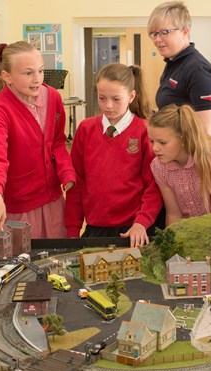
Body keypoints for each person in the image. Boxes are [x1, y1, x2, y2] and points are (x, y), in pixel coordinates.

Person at [64, 63, 162, 247]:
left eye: (116, 99)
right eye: (102, 98)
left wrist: (141, 222)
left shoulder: (144, 131)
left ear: (131, 96)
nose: (108, 106)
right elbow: (77, 184)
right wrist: (72, 230)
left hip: (134, 230)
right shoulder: (85, 129)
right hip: (95, 228)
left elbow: (154, 185)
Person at [0, 41, 75, 238]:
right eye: (28, 73)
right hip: (20, 204)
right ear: (7, 77)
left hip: (52, 200)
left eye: (40, 71)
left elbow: (58, 142)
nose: (37, 79)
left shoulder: (53, 98)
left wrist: (66, 171)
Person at [148, 104, 211, 225]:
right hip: (195, 228)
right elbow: (173, 214)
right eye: (152, 141)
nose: (155, 148)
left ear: (184, 139)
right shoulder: (158, 166)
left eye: (162, 142)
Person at [148, 1, 211, 136]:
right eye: (154, 34)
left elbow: (207, 129)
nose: (157, 39)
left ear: (185, 32)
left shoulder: (197, 69)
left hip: (191, 154)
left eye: (164, 32)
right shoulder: (174, 63)